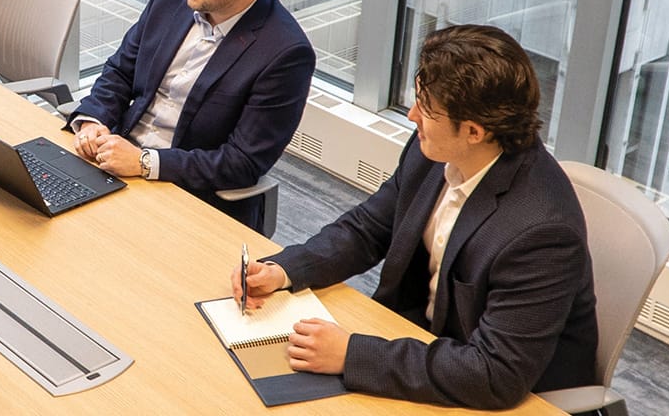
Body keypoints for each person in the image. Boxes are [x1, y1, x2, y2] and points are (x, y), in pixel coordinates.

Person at [233, 25, 599, 409]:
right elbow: (369, 228)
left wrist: (352, 354)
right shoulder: (436, 149)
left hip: (502, 390)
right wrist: (285, 269)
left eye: (426, 109)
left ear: (473, 131)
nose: (411, 116)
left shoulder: (541, 233)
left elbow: (495, 375)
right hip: (423, 345)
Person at [68, 0, 315, 230]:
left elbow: (241, 163)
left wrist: (144, 163)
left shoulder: (285, 53)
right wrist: (93, 122)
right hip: (115, 164)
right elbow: (121, 71)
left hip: (188, 198)